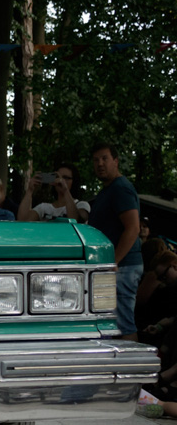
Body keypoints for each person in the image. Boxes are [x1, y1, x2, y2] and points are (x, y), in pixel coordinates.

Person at [88, 143, 143, 340]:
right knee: (109, 322)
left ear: (116, 161)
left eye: (105, 158)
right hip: (112, 267)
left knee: (123, 323)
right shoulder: (107, 190)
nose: (100, 164)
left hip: (123, 267)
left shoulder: (121, 188)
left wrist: (114, 261)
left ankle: (133, 360)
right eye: (96, 160)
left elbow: (133, 228)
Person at [17, 164, 90, 223]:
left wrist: (65, 191)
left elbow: (76, 221)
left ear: (74, 182)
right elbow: (23, 221)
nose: (60, 180)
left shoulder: (81, 205)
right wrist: (30, 190)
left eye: (65, 178)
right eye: (57, 177)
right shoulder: (44, 208)